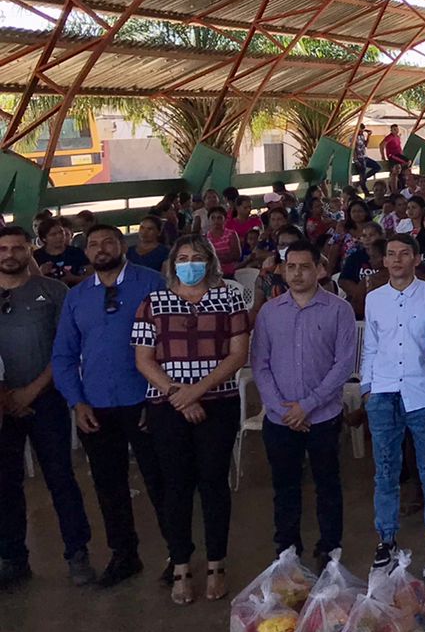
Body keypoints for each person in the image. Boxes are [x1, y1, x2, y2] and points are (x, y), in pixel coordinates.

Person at [132, 236, 249, 605]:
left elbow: (237, 355)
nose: (190, 264)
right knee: (175, 486)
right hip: (168, 406)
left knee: (214, 484)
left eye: (197, 258)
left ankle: (216, 563)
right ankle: (180, 564)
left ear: (210, 263)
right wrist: (177, 395)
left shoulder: (230, 299)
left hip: (218, 402)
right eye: (182, 258)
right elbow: (144, 360)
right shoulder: (153, 303)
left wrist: (195, 391)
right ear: (172, 264)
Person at [49, 223, 167, 588]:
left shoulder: (151, 284)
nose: (101, 249)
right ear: (86, 253)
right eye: (94, 244)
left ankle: (177, 555)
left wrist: (161, 397)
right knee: (108, 485)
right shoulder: (78, 296)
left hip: (146, 400)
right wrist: (76, 401)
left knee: (161, 482)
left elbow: (171, 344)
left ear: (122, 246)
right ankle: (124, 554)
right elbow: (64, 354)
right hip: (96, 404)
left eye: (109, 242)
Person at [250, 240, 356, 571]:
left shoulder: (340, 310)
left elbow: (343, 365)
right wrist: (283, 410)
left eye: (305, 266)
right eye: (290, 267)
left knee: (327, 485)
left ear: (320, 269)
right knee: (285, 487)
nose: (297, 273)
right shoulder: (269, 312)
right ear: (282, 270)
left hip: (323, 416)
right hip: (281, 419)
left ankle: (329, 548)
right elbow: (260, 364)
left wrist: (306, 406)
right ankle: (287, 548)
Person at [360, 233, 425, 577]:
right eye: (391, 255)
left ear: (416, 259)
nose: (397, 260)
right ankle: (387, 538)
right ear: (383, 261)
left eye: (404, 254)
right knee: (385, 470)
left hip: (422, 392)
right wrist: (368, 387)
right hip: (383, 391)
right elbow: (371, 345)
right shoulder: (374, 299)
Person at [0, 227, 87, 588]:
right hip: (2, 406)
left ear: (28, 251)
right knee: (5, 485)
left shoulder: (53, 293)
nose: (9, 254)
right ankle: (12, 558)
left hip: (46, 400)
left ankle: (78, 554)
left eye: (17, 248)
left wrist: (31, 391)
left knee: (60, 479)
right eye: (2, 248)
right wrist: (6, 396)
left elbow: (65, 350)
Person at [34, 219, 89, 286]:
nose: (59, 236)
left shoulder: (76, 252)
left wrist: (74, 278)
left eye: (61, 232)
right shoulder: (37, 256)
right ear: (44, 238)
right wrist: (40, 273)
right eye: (53, 234)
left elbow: (92, 277)